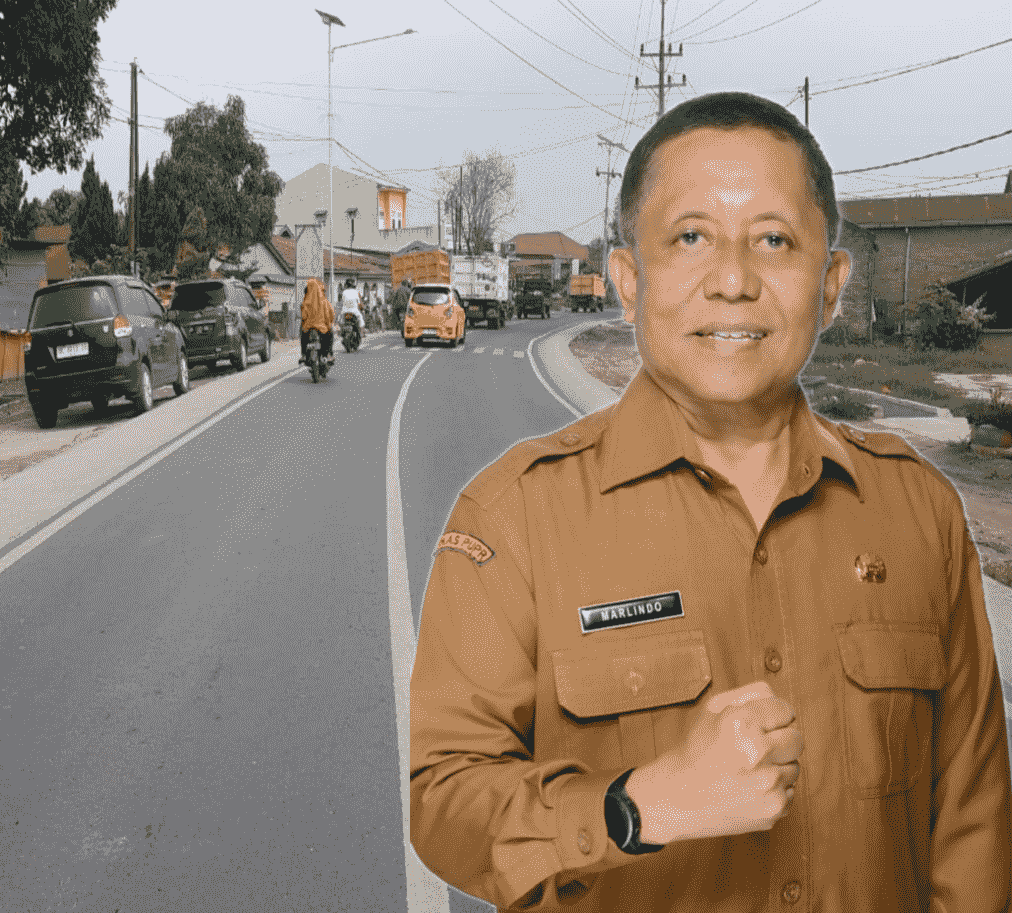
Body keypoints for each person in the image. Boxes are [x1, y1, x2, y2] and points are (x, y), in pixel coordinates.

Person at [410, 91, 1011, 912]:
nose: (733, 281)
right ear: (629, 280)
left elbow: (974, 835)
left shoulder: (919, 513)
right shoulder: (512, 520)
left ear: (831, 285)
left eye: (774, 240)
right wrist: (637, 807)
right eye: (691, 237)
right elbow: (445, 798)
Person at [298, 276, 334, 366]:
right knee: (330, 334)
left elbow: (303, 316)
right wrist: (329, 324)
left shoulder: (305, 303)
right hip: (322, 328)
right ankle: (328, 354)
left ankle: (303, 355)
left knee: (302, 333)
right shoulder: (324, 302)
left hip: (308, 328)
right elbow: (330, 315)